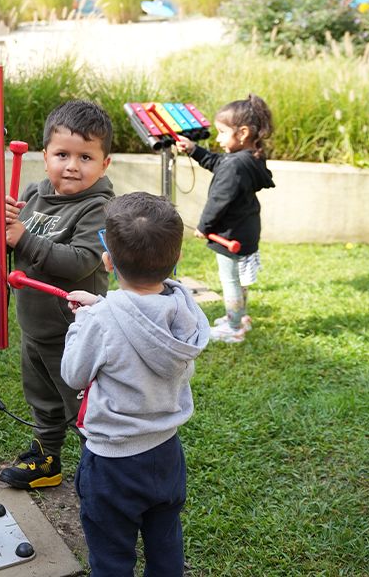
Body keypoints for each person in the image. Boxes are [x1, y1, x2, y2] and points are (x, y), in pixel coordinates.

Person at [61, 191, 210, 577]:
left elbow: (74, 374)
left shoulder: (99, 322)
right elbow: (142, 317)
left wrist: (84, 321)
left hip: (113, 463)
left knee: (111, 557)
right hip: (166, 453)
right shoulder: (184, 311)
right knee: (165, 547)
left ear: (107, 261)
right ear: (175, 259)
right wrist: (102, 308)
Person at [0, 100, 115, 490]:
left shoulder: (98, 208)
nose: (72, 166)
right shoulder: (34, 194)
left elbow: (81, 262)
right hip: (35, 326)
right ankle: (47, 458)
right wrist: (4, 225)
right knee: (42, 399)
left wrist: (23, 237)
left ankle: (101, 470)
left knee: (83, 408)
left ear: (105, 164)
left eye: (86, 157)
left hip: (74, 333)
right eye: (62, 154)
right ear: (45, 155)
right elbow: (12, 247)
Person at [176, 93, 275, 343]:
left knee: (230, 279)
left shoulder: (234, 165)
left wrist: (203, 226)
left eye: (221, 132)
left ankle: (233, 327)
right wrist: (194, 150)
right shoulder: (249, 158)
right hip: (247, 229)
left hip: (230, 234)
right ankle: (239, 316)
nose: (218, 139)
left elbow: (219, 200)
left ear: (242, 133)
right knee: (240, 278)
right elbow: (219, 162)